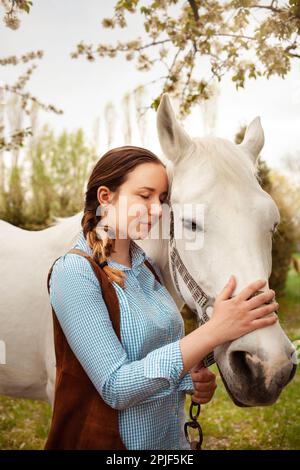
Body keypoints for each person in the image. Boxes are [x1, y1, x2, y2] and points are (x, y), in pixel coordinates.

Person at [46, 145, 278, 450]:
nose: (157, 210)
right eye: (145, 196)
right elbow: (116, 386)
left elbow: (150, 356)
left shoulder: (147, 269)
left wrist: (187, 379)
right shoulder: (75, 272)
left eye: (162, 199)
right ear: (106, 198)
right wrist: (213, 331)